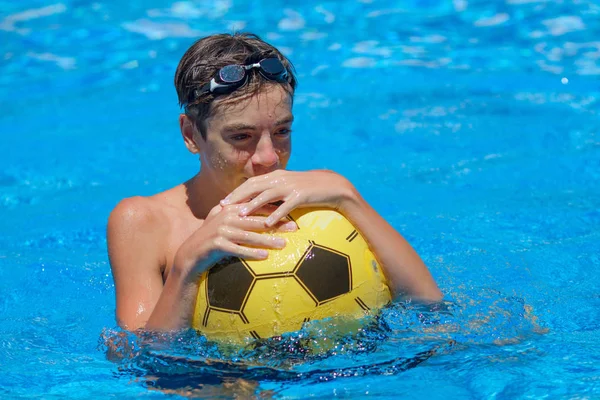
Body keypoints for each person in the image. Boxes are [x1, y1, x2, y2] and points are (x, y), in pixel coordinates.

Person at [107, 32, 442, 333]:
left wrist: (347, 195)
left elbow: (429, 306)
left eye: (282, 131)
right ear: (191, 134)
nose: (268, 157)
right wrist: (186, 266)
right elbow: (137, 359)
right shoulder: (144, 222)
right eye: (241, 136)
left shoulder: (322, 195)